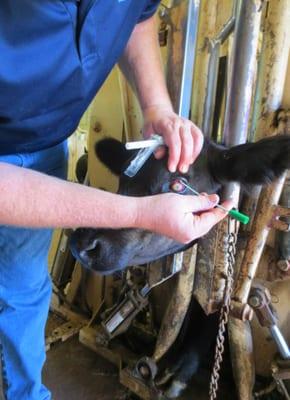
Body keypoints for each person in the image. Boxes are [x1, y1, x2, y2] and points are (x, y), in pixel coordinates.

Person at [0, 1, 232, 399]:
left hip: (42, 143)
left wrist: (156, 105)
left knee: (23, 286)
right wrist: (137, 213)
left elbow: (135, 16)